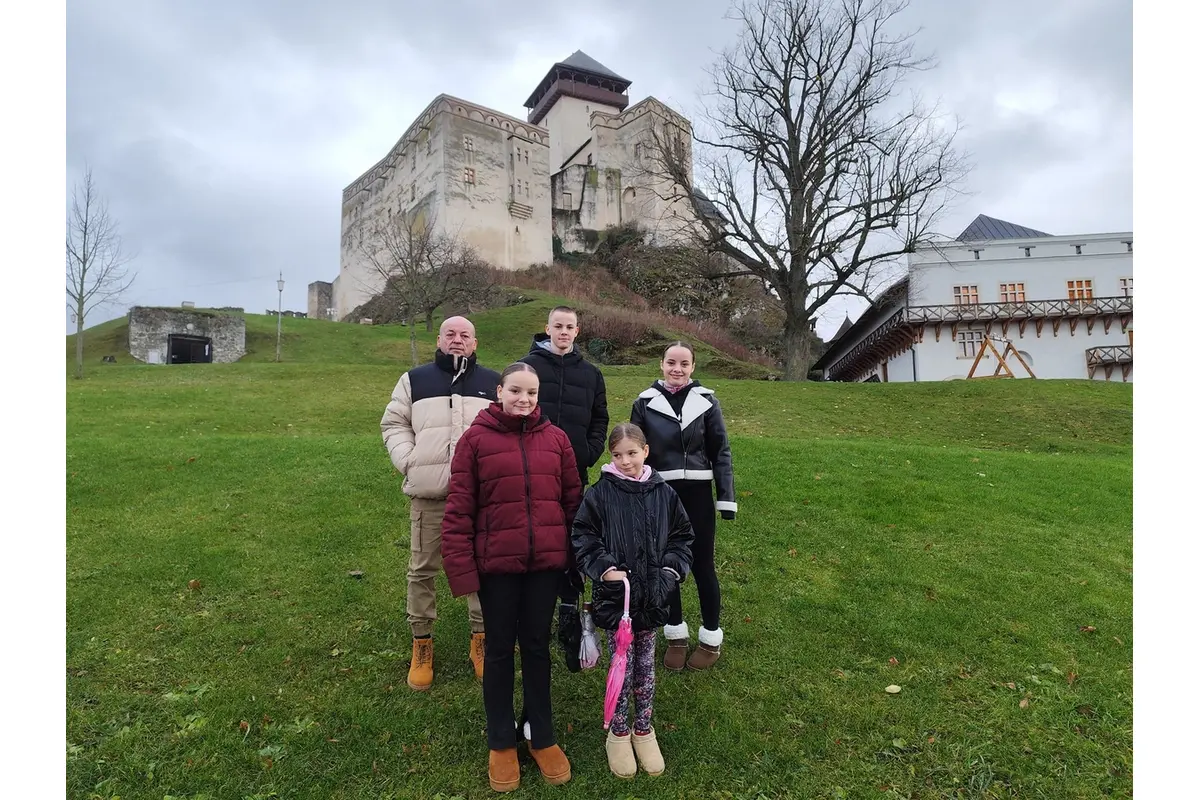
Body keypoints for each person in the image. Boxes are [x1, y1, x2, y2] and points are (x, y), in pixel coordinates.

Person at [441, 362, 582, 792]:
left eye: (532, 393)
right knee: (500, 650)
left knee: (537, 647)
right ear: (499, 391)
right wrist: (463, 571)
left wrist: (575, 561)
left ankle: (540, 733)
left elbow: (573, 503)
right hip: (497, 568)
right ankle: (501, 739)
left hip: (545, 566)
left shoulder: (556, 440)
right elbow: (459, 510)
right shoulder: (475, 441)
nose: (524, 400)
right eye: (516, 391)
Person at [380, 316, 499, 692]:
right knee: (422, 570)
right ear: (439, 339)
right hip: (429, 496)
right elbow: (393, 423)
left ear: (475, 343)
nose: (457, 339)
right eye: (450, 334)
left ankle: (481, 639)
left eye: (465, 335)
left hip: (479, 498)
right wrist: (409, 460)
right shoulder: (414, 380)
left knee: (482, 568)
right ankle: (422, 643)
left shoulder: (492, 382)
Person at [571, 422, 694, 778]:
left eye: (632, 453)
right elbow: (584, 536)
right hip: (617, 601)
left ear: (645, 451)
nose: (625, 461)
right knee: (621, 666)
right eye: (617, 455)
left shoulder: (664, 493)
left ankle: (644, 728)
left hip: (653, 596)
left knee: (645, 666)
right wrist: (604, 568)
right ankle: (619, 730)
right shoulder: (599, 494)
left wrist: (670, 571)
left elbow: (682, 536)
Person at [630, 341, 737, 671]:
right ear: (661, 364)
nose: (677, 369)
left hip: (698, 494)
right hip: (661, 493)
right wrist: (634, 494)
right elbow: (635, 452)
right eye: (671, 362)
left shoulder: (708, 402)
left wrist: (726, 497)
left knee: (703, 564)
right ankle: (675, 633)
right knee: (667, 564)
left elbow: (721, 451)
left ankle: (710, 637)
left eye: (684, 363)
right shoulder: (644, 403)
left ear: (693, 367)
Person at [519, 306, 609, 673]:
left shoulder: (590, 373)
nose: (563, 332)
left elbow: (600, 418)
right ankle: (531, 605)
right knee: (535, 535)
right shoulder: (527, 367)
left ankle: (569, 608)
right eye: (558, 325)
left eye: (569, 326)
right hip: (531, 471)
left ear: (577, 331)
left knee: (572, 536)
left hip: (574, 470)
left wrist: (588, 451)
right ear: (547, 328)